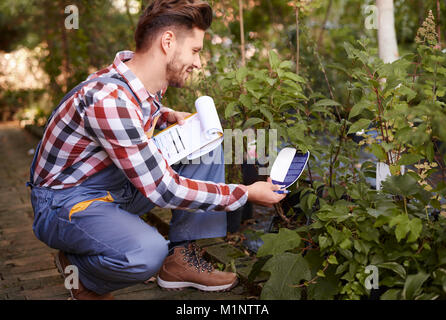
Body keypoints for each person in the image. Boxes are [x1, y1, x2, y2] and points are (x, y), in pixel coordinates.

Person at [27, 0, 286, 300]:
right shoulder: (109, 99)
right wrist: (246, 193)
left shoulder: (141, 84)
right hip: (64, 204)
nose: (198, 63)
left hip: (112, 189)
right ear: (168, 42)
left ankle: (182, 257)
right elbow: (164, 189)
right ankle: (80, 272)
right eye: (195, 51)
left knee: (207, 139)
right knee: (146, 252)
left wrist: (167, 115)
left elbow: (136, 116)